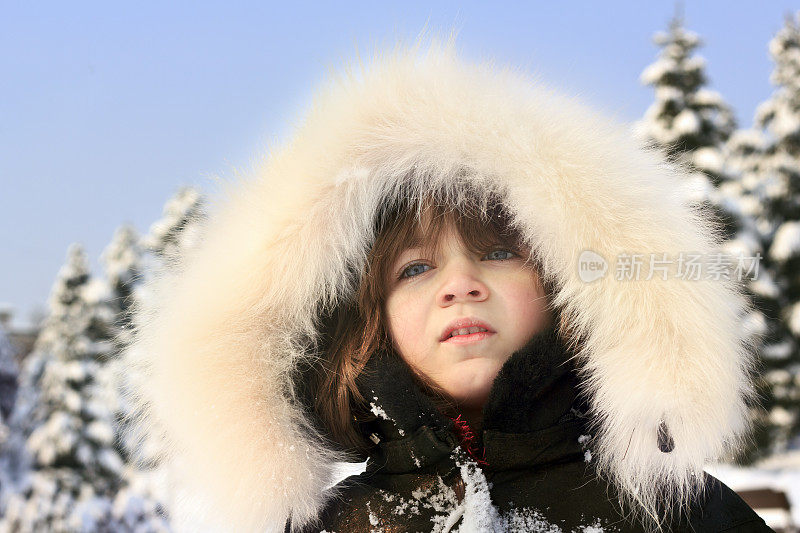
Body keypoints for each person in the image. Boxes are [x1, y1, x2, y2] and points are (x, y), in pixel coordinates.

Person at [123, 37, 773, 532]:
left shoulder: (677, 512)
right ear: (364, 322)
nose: (460, 283)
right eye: (416, 267)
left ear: (566, 294)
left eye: (497, 252)